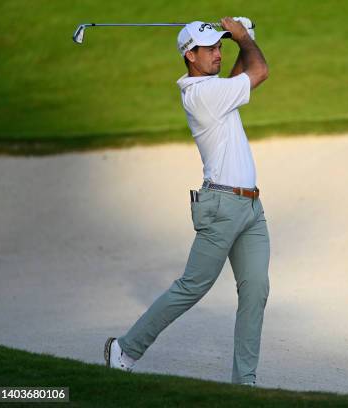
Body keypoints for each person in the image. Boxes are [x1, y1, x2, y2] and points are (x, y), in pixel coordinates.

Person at [104, 16, 270, 387]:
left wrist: (241, 41)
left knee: (256, 289)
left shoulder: (213, 88)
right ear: (190, 55)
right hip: (222, 208)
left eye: (220, 45)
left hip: (251, 211)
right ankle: (125, 350)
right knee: (192, 286)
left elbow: (234, 79)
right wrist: (245, 38)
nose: (217, 52)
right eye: (210, 48)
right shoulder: (201, 95)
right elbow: (259, 71)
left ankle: (245, 383)